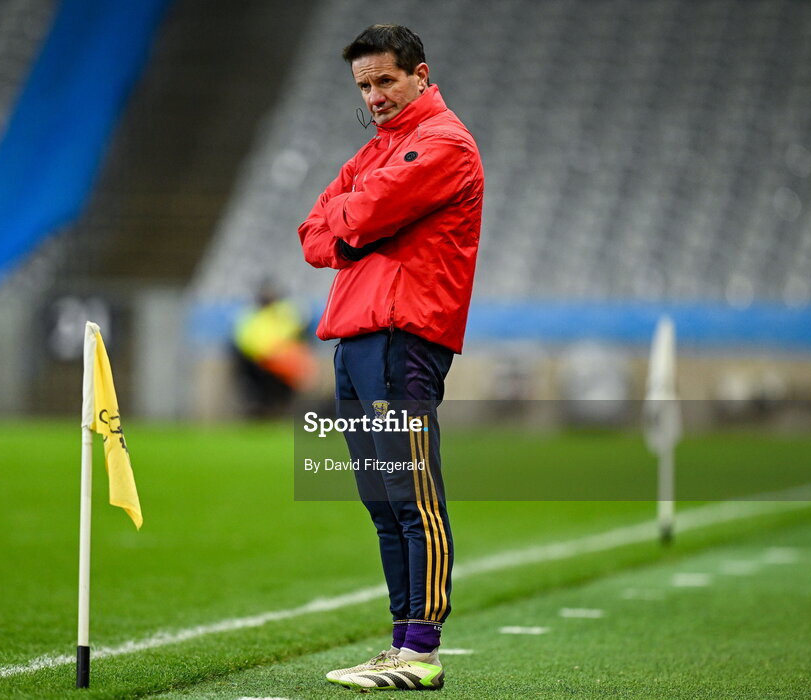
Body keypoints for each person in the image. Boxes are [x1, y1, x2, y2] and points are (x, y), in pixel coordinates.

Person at [298, 24, 483, 691]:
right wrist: (354, 227)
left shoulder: (443, 143)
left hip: (405, 338)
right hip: (358, 342)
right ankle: (400, 642)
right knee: (381, 499)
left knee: (412, 496)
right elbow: (314, 231)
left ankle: (423, 651)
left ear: (420, 75)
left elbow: (358, 212)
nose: (374, 95)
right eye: (364, 85)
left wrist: (352, 225)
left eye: (384, 81)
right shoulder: (383, 147)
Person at [231, 283, 317, 417]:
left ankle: (280, 407)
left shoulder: (286, 313)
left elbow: (299, 331)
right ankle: (264, 407)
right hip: (260, 362)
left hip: (283, 362)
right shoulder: (251, 317)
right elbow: (245, 342)